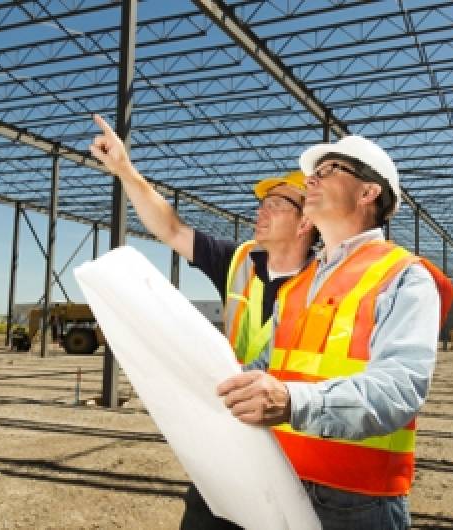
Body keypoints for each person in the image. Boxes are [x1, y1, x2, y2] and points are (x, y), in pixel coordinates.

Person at [89, 114, 316, 529]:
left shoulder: (331, 279)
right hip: (230, 432)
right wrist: (125, 170)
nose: (262, 211)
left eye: (277, 203)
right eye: (262, 203)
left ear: (306, 222)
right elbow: (172, 230)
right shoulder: (239, 261)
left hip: (296, 438)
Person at [217, 135, 453, 529]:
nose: (310, 180)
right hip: (280, 481)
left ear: (367, 192)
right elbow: (266, 367)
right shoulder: (298, 284)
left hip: (358, 501)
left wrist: (290, 401)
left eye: (327, 171)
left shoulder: (403, 276)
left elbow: (400, 389)